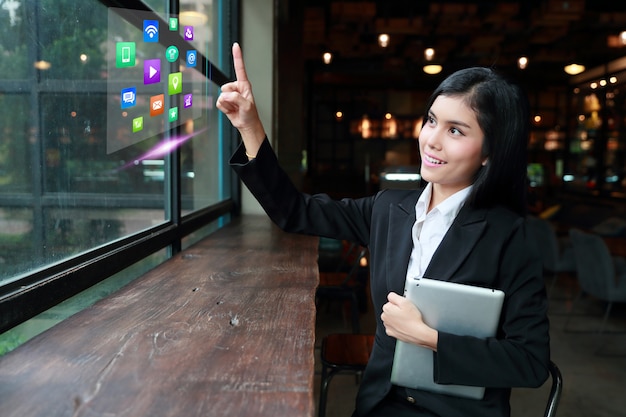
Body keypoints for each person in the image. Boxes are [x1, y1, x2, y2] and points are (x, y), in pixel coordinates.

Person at [217, 42, 550, 417]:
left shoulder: (510, 236)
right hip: (379, 404)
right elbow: (294, 211)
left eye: (456, 131)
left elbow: (530, 361)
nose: (432, 140)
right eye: (431, 120)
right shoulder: (389, 209)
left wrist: (430, 339)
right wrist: (249, 125)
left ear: (490, 151)